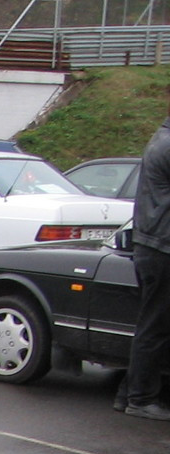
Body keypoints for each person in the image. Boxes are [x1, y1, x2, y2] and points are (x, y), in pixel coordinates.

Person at [119, 93, 170, 421]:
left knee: (149, 325)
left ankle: (128, 392)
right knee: (156, 327)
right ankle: (140, 399)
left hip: (151, 245)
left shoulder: (160, 138)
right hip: (163, 247)